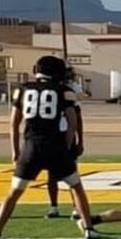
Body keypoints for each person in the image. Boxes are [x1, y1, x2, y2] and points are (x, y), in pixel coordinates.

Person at [0, 56, 98, 239]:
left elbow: (14, 124)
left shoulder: (23, 89)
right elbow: (72, 123)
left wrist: (15, 151)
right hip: (55, 145)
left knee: (14, 192)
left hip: (31, 147)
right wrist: (66, 147)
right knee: (76, 187)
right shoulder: (65, 91)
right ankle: (88, 229)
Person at [45, 65, 84, 219]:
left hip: (66, 134)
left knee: (72, 173)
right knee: (52, 174)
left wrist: (80, 140)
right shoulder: (50, 91)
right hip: (53, 135)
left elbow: (77, 118)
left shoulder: (68, 92)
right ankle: (53, 206)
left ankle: (76, 206)